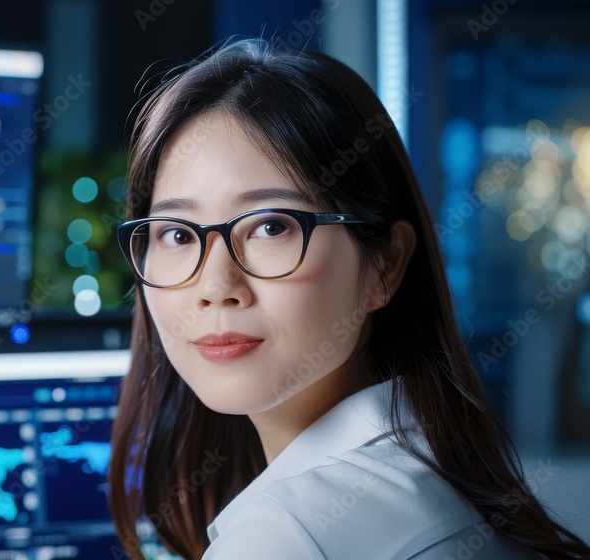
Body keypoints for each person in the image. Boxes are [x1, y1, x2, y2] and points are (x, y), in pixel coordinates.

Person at [107, 37, 590, 560]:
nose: (215, 287)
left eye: (272, 226)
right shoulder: (441, 481)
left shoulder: (286, 535)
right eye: (177, 235)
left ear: (385, 263)